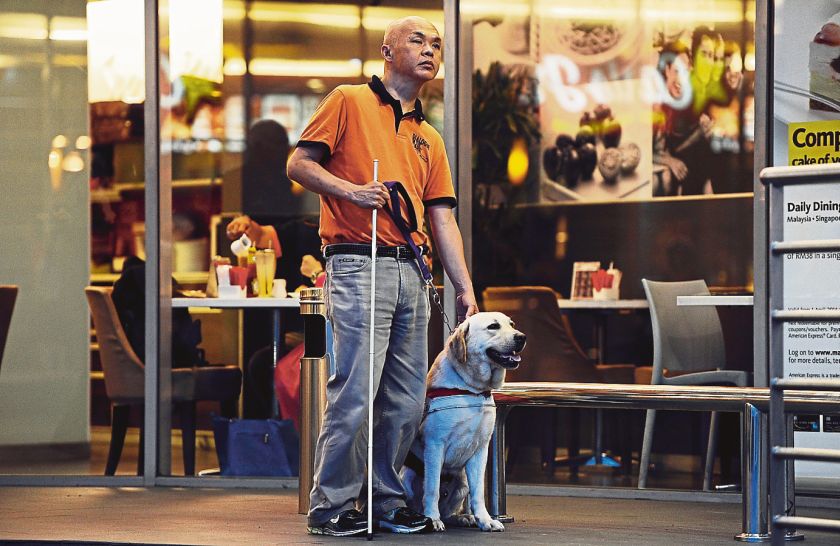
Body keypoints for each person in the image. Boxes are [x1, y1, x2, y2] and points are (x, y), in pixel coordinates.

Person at [286, 16, 478, 537]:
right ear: (387, 51)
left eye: (436, 43)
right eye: (417, 40)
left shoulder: (429, 137)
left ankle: (386, 499)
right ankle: (331, 505)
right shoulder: (348, 100)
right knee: (355, 389)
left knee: (406, 396)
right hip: (356, 261)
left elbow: (442, 217)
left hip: (413, 270)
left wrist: (463, 285)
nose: (429, 49)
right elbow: (299, 165)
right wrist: (351, 192)